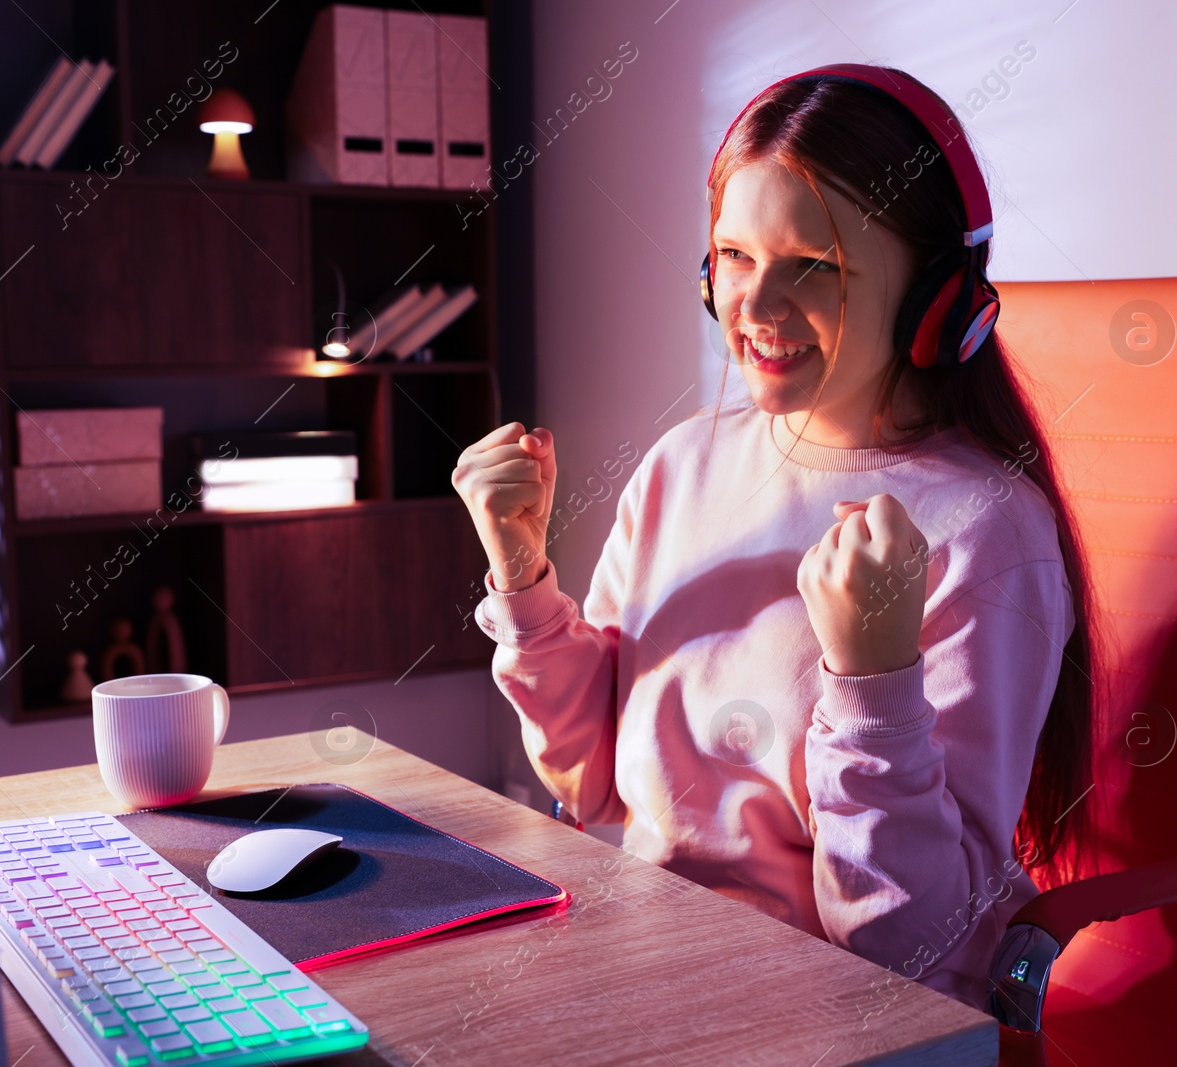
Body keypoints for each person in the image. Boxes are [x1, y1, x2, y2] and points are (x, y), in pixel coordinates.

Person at [451, 66, 1102, 1012]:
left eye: (816, 266)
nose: (753, 307)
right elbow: (590, 784)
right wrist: (524, 580)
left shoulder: (988, 534)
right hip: (654, 967)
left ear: (935, 298)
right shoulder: (685, 463)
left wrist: (872, 680)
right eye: (734, 256)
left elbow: (911, 947)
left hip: (834, 1014)